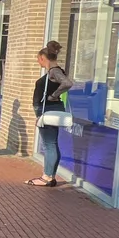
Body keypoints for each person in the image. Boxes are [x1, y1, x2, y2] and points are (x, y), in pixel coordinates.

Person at [28, 40, 74, 187]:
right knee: (51, 144)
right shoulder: (53, 71)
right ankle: (50, 176)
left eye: (38, 59)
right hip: (49, 109)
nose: (38, 62)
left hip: (48, 109)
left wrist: (53, 95)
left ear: (43, 58)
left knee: (49, 144)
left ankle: (46, 177)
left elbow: (67, 83)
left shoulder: (54, 71)